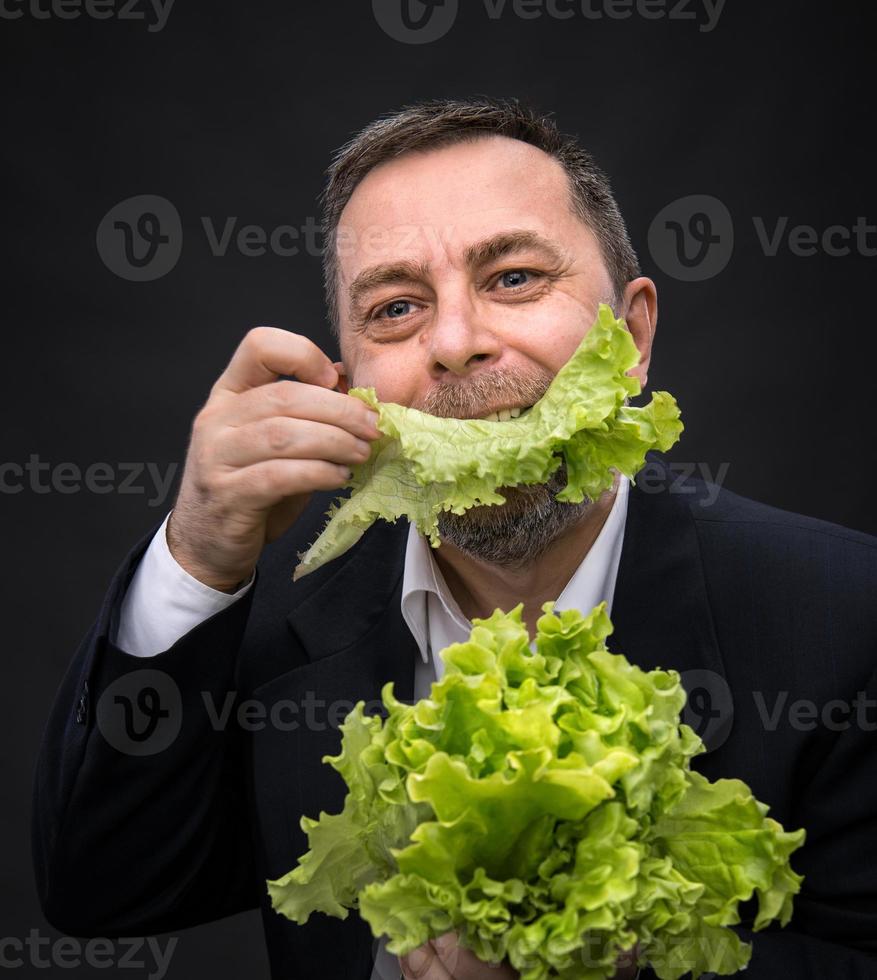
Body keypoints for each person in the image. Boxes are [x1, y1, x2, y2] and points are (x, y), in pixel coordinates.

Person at [32, 97, 877, 980]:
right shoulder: (266, 624)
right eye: (395, 308)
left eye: (512, 278)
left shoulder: (842, 621)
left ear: (629, 338)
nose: (455, 343)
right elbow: (105, 892)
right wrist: (198, 556)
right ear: (346, 383)